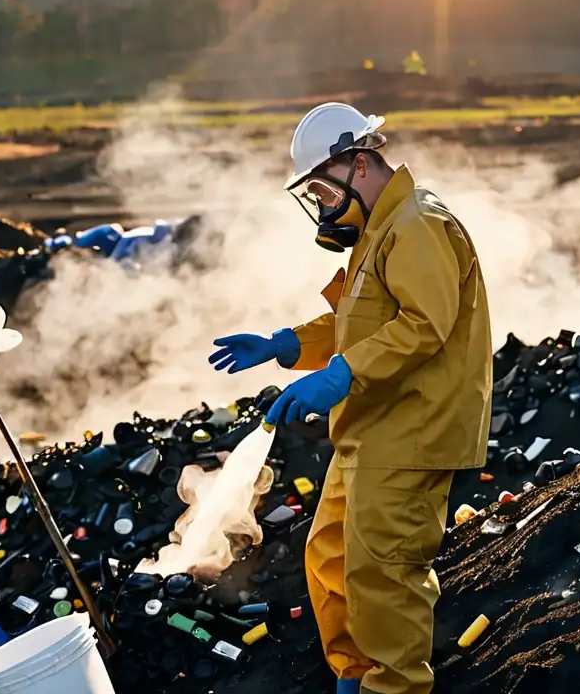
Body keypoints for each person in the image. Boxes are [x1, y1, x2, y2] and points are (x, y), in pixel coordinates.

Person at [208, 102, 491, 694]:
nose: (320, 205)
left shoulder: (418, 225)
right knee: (332, 556)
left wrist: (341, 376)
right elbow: (353, 323)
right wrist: (287, 344)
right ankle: (356, 675)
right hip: (370, 429)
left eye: (322, 189)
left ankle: (395, 687)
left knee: (383, 575)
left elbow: (423, 324)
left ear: (358, 164)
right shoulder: (379, 230)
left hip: (411, 432)